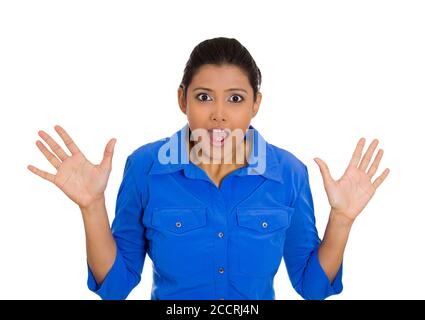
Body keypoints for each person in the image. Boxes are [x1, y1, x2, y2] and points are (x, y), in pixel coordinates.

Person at [27, 37, 390, 300]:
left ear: (255, 105)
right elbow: (117, 286)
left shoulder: (289, 173)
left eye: (235, 98)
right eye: (203, 97)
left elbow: (312, 287)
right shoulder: (145, 167)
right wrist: (91, 206)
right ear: (182, 99)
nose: (219, 114)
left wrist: (342, 218)